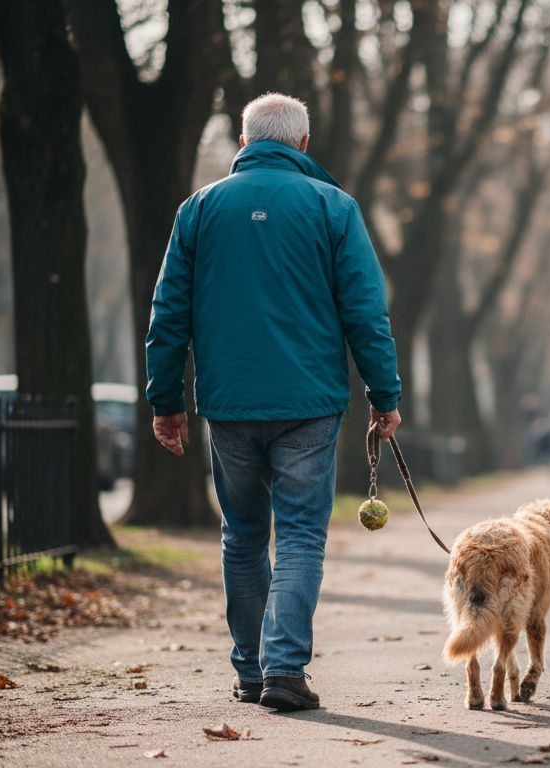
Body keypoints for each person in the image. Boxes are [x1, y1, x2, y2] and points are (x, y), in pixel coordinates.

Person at [145, 93, 401, 712]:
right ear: (303, 145)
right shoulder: (333, 207)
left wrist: (166, 401)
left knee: (242, 536)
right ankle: (284, 668)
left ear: (243, 142)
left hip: (229, 401)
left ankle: (250, 671)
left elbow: (169, 313)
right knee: (302, 537)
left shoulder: (199, 209)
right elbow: (365, 312)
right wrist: (384, 393)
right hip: (309, 403)